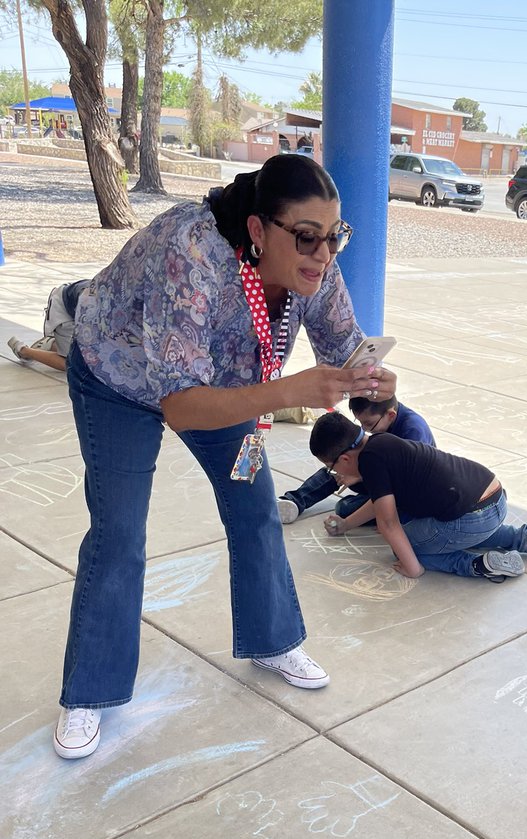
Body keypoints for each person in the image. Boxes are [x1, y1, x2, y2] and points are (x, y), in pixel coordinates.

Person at [53, 155, 392, 760]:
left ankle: (271, 639)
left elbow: (343, 345)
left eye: (334, 236)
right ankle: (90, 692)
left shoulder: (316, 267)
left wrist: (371, 387)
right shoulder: (193, 251)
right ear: (260, 230)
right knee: (119, 533)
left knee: (255, 507)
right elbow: (180, 405)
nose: (322, 253)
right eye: (307, 237)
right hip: (119, 381)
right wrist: (290, 392)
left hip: (227, 390)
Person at [308, 411, 527, 580]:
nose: (335, 473)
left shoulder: (370, 463)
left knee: (406, 547)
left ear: (344, 458)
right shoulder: (382, 443)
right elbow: (377, 504)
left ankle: (478, 565)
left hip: (469, 519)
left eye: (331, 468)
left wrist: (412, 567)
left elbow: (387, 523)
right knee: (461, 529)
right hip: (494, 498)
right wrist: (345, 524)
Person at [278, 393, 435, 525]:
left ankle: (374, 508)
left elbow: (400, 487)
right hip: (383, 476)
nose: (365, 429)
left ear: (390, 415)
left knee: (344, 508)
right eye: (360, 423)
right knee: (335, 468)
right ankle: (294, 501)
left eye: (368, 424)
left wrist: (359, 475)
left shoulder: (413, 432)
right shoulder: (381, 419)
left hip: (404, 493)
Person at [7, 279, 89, 373]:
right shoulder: (92, 301)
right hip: (64, 306)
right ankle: (24, 351)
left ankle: (52, 344)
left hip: (79, 304)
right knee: (71, 364)